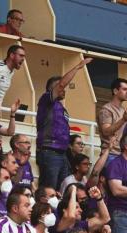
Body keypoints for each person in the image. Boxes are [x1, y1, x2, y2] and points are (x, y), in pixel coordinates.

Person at [36, 57, 93, 189]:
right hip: (49, 152)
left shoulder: (61, 107)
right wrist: (78, 67)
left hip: (62, 154)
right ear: (52, 88)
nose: (64, 89)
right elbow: (61, 84)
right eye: (61, 87)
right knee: (49, 189)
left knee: (65, 190)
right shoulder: (46, 100)